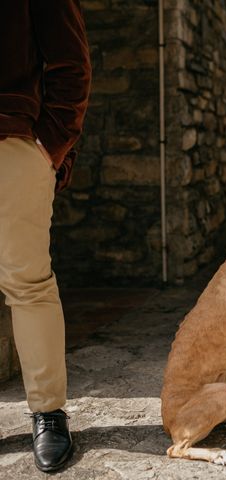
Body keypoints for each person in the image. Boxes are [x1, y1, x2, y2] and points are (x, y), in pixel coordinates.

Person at [0, 0, 91, 472]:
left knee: (28, 284)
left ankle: (48, 412)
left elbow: (71, 63)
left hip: (10, 144)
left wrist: (48, 148)